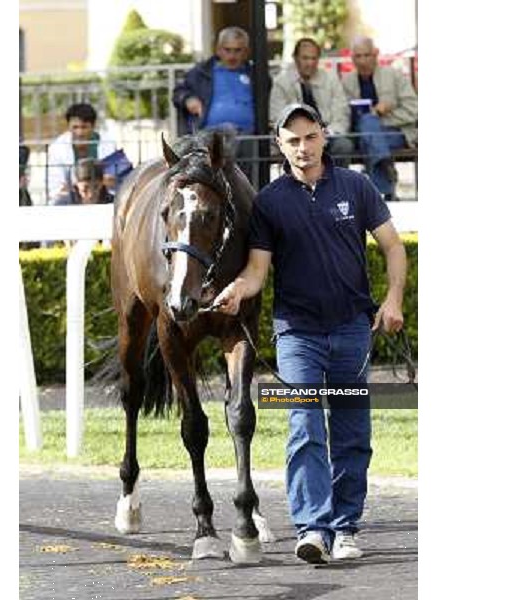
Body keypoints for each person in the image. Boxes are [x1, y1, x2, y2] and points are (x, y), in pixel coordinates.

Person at [212, 103, 407, 563]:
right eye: (293, 139)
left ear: (324, 136)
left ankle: (345, 528)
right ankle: (313, 528)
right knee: (304, 424)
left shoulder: (357, 188)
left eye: (310, 136)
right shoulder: (270, 202)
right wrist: (237, 290)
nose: (303, 147)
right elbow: (257, 271)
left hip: (352, 329)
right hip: (297, 333)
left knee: (351, 431)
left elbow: (394, 247)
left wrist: (393, 299)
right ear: (280, 145)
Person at [172, 26, 258, 181]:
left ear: (246, 52)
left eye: (238, 50)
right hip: (211, 136)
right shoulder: (201, 72)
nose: (232, 55)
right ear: (218, 50)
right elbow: (178, 92)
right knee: (229, 134)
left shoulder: (255, 74)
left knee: (250, 146)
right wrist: (188, 99)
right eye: (227, 50)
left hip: (247, 137)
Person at [341, 37, 418, 201]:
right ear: (352, 58)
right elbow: (342, 114)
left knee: (369, 126)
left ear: (375, 55)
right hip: (360, 135)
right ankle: (385, 174)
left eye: (366, 55)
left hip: (396, 133)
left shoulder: (394, 75)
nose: (362, 61)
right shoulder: (347, 81)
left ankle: (382, 185)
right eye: (358, 56)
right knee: (368, 131)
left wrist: (383, 115)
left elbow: (414, 109)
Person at [270, 38, 354, 167]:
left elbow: (342, 113)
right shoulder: (282, 82)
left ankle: (336, 185)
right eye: (305, 58)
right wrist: (303, 136)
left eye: (313, 58)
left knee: (344, 146)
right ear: (295, 58)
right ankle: (303, 186)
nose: (310, 63)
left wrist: (327, 134)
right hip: (295, 137)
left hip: (328, 134)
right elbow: (276, 117)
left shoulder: (330, 79)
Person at [46, 103, 117, 204]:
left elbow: (114, 181)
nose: (79, 132)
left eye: (84, 127)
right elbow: (55, 187)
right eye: (75, 127)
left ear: (93, 126)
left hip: (103, 199)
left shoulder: (108, 144)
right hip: (70, 201)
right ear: (68, 126)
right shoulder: (57, 148)